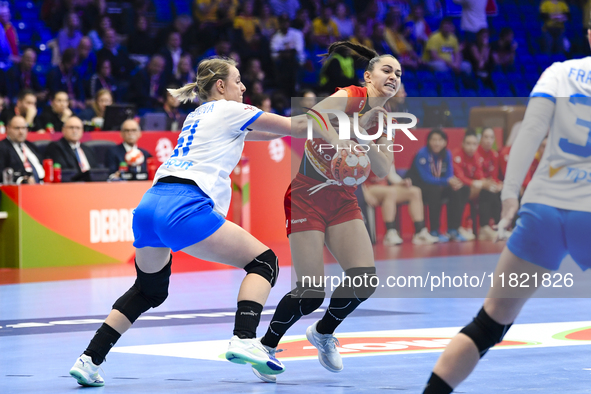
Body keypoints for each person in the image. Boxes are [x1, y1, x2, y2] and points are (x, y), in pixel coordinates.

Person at [67, 55, 325, 387]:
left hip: (150, 205)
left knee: (148, 291)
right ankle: (244, 338)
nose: (244, 87)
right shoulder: (231, 110)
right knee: (265, 262)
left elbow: (263, 134)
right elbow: (298, 126)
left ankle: (89, 359)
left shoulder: (197, 115)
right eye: (238, 80)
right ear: (221, 85)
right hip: (186, 206)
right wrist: (345, 106)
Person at [422, 27, 591, 394]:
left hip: (543, 211)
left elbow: (528, 132)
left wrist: (511, 199)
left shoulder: (559, 73)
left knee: (488, 325)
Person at [256, 41, 400, 383]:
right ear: (368, 76)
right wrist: (342, 143)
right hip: (307, 195)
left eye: (398, 73)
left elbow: (383, 168)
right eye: (386, 70)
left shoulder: (383, 117)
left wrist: (363, 140)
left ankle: (322, 333)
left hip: (343, 199)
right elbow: (316, 115)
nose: (393, 76)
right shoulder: (352, 94)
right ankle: (266, 346)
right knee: (310, 292)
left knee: (364, 281)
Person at [405, 128, 471, 242]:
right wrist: (447, 181)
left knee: (459, 189)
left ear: (445, 142)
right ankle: (434, 230)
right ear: (428, 141)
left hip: (438, 185)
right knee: (434, 191)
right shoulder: (422, 153)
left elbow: (449, 175)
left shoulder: (447, 154)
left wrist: (453, 182)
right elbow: (426, 178)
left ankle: (453, 229)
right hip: (420, 186)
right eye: (433, 140)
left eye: (440, 140)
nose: (436, 143)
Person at [362, 163, 439, 245]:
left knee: (415, 192)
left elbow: (391, 174)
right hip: (369, 189)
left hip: (386, 188)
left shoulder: (387, 151)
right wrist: (364, 194)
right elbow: (356, 177)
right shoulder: (362, 152)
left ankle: (420, 232)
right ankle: (390, 233)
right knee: (390, 192)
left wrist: (401, 181)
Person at [452, 130, 499, 241]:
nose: (471, 147)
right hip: (456, 189)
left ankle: (486, 227)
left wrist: (486, 183)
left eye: (474, 144)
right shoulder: (456, 154)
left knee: (490, 189)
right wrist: (477, 183)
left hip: (470, 189)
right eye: (468, 144)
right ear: (462, 144)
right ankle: (458, 228)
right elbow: (460, 177)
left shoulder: (477, 157)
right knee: (463, 190)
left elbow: (479, 175)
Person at [0, 115, 45, 184]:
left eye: (24, 128)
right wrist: (21, 180)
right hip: (19, 188)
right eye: (17, 128)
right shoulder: (2, 147)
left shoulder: (31, 145)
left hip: (43, 185)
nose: (21, 132)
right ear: (8, 129)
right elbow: (2, 172)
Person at [477, 127, 503, 240]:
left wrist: (499, 184)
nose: (488, 140)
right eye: (486, 137)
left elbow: (495, 176)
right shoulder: (476, 152)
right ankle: (484, 227)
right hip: (478, 185)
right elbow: (478, 174)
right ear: (481, 139)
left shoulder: (495, 155)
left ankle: (500, 225)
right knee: (487, 191)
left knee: (500, 191)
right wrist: (486, 183)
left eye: (491, 137)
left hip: (489, 185)